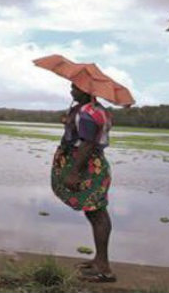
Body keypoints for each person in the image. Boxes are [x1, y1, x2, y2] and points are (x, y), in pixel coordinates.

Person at [51, 83, 116, 283]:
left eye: (75, 88)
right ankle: (99, 259)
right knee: (93, 211)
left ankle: (104, 269)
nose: (71, 91)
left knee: (97, 213)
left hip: (87, 167)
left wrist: (73, 172)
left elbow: (87, 144)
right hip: (89, 164)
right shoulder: (89, 110)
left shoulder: (88, 113)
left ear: (88, 90)